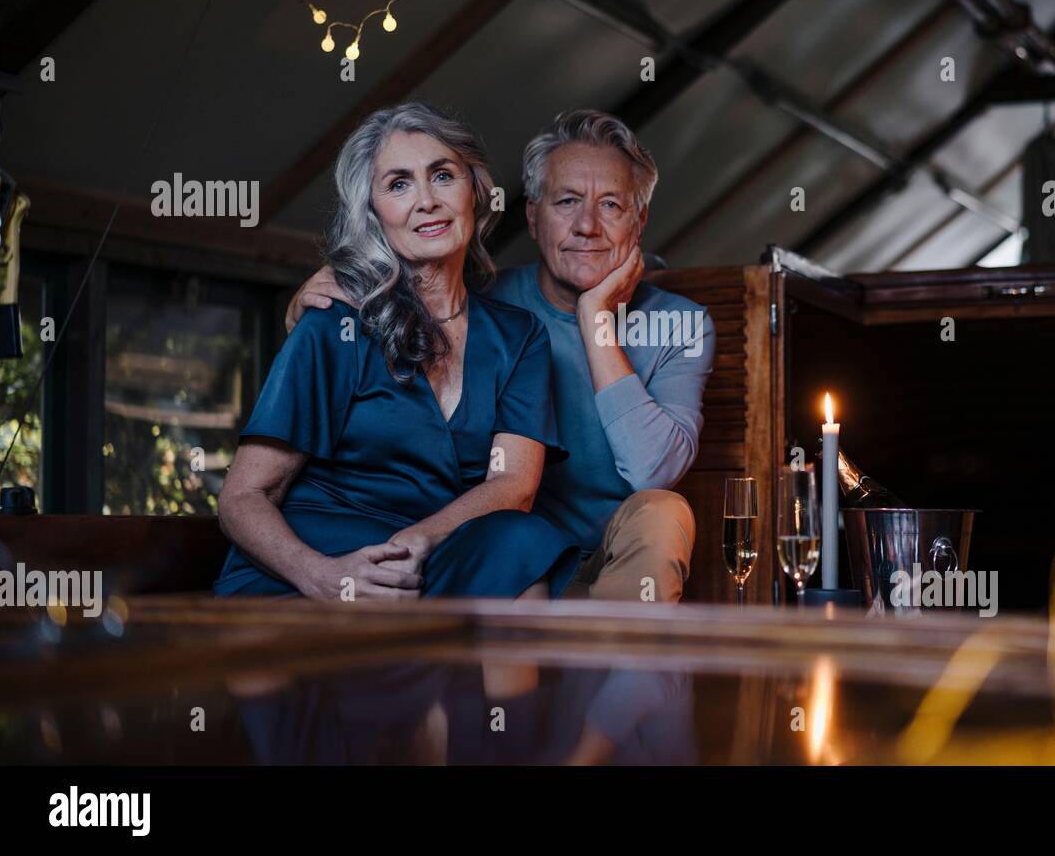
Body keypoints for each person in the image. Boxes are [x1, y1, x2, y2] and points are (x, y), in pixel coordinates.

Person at [287, 110, 715, 603]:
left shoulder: (681, 325)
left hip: (615, 572)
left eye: (612, 205)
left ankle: (607, 654)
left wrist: (595, 317)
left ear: (639, 221)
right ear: (532, 216)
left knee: (664, 510)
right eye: (567, 201)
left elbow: (651, 470)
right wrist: (314, 301)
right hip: (503, 557)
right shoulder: (484, 306)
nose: (587, 227)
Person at [215, 102, 581, 601]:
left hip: (425, 556)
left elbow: (512, 484)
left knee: (522, 542)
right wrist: (324, 576)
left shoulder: (520, 338)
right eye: (398, 184)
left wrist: (417, 540)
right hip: (314, 563)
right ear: (373, 213)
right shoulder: (333, 320)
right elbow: (243, 496)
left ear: (475, 190)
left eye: (443, 175)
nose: (426, 201)